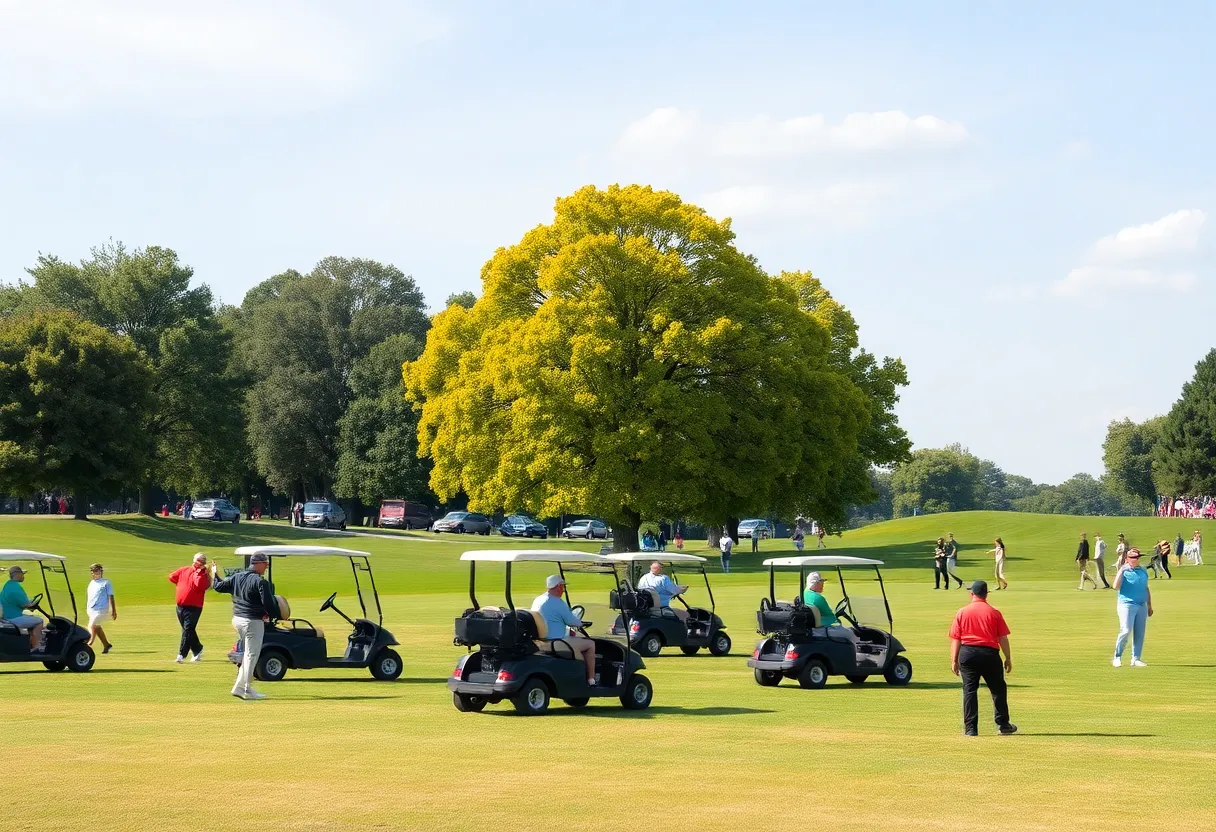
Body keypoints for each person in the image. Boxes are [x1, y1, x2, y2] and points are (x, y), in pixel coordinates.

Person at [949, 580, 1017, 736]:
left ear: (971, 594)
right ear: (986, 594)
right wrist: (1008, 657)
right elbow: (1003, 638)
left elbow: (956, 639)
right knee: (998, 689)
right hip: (989, 654)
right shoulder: (994, 612)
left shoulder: (962, 612)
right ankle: (1003, 724)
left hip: (967, 653)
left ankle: (971, 729)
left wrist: (954, 660)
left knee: (969, 690)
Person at [210, 553, 277, 700]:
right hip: (252, 622)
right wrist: (273, 615)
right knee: (251, 655)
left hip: (238, 620)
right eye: (265, 563)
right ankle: (244, 689)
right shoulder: (261, 582)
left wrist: (214, 573)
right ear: (258, 563)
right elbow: (269, 603)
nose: (267, 566)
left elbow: (218, 587)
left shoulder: (236, 577)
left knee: (248, 654)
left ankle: (242, 687)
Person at [532, 575, 597, 686]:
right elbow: (573, 621)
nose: (563, 590)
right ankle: (591, 680)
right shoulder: (558, 602)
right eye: (562, 587)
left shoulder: (538, 599)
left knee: (574, 641)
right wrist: (581, 623)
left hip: (541, 641)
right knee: (591, 644)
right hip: (556, 642)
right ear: (558, 586)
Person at [1112, 547, 1152, 667]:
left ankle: (1136, 658)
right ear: (1127, 559)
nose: (1135, 559)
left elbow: (1145, 588)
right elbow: (1115, 586)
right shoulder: (1124, 571)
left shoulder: (1143, 571)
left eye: (1137, 557)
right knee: (1125, 630)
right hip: (1127, 604)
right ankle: (1117, 657)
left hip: (1141, 605)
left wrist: (1149, 605)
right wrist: (1121, 570)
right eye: (1132, 557)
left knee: (1139, 633)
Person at [169, 553, 212, 662]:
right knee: (188, 630)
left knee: (187, 629)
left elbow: (200, 585)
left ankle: (181, 655)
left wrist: (200, 571)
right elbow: (172, 577)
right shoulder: (184, 570)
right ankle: (198, 648)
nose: (198, 562)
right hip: (180, 606)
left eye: (201, 561)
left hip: (194, 607)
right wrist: (181, 584)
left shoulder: (204, 575)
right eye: (197, 560)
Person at [1, 565, 45, 650]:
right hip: (13, 617)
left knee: (32, 619)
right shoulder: (16, 588)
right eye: (22, 574)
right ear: (17, 574)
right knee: (39, 621)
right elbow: (26, 605)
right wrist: (32, 606)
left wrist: (30, 604)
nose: (23, 576)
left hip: (7, 615)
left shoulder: (8, 585)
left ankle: (30, 643)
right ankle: (35, 647)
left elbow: (19, 601)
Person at [85, 564, 116, 654]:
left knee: (92, 625)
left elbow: (111, 596)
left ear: (101, 571)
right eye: (93, 571)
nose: (95, 572)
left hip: (101, 609)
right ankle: (106, 644)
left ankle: (89, 643)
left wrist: (114, 610)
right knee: (97, 627)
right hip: (91, 609)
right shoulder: (91, 583)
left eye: (97, 570)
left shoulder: (106, 582)